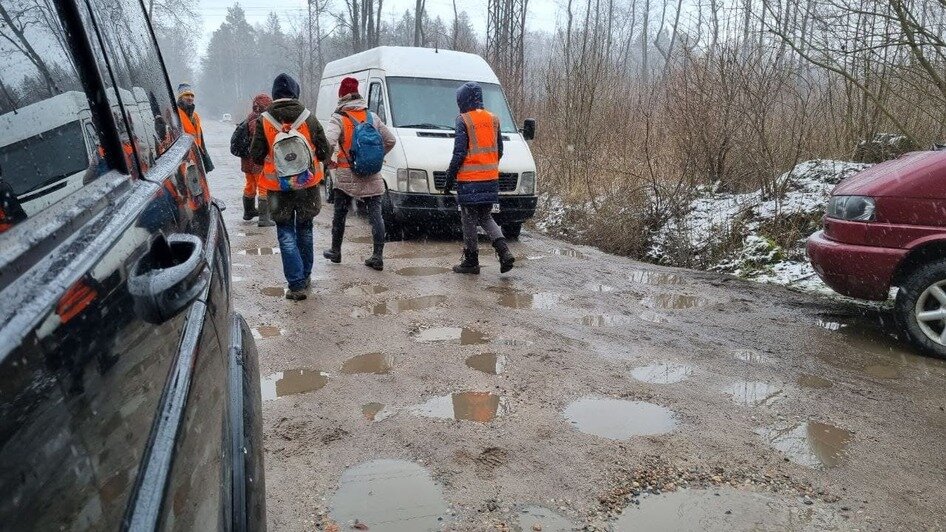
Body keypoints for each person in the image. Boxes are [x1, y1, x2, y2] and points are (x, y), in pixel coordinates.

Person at [249, 73, 330, 301]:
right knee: (305, 229)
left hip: (278, 189)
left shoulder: (264, 120)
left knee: (285, 233)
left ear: (275, 95)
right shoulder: (309, 118)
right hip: (307, 186)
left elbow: (256, 156)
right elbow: (324, 152)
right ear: (295, 93)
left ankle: (295, 286)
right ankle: (305, 276)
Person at [322, 77, 397, 271]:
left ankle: (336, 251)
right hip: (372, 173)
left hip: (347, 173)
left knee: (340, 213)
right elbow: (390, 140)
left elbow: (328, 143)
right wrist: (375, 157)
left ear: (341, 96)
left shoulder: (339, 117)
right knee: (376, 216)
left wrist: (327, 161)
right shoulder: (372, 117)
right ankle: (377, 256)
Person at [443, 81, 515, 274]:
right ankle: (504, 251)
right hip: (490, 178)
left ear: (463, 100)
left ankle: (471, 261)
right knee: (486, 217)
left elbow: (459, 153)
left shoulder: (463, 120)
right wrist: (487, 166)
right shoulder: (494, 119)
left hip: (469, 180)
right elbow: (499, 149)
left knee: (468, 220)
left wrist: (449, 178)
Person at [232, 93, 275, 225]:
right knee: (263, 186)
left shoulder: (249, 118)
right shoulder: (259, 120)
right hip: (256, 161)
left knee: (250, 185)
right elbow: (257, 143)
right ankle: (264, 218)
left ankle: (249, 211)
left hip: (246, 161)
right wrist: (259, 160)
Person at [176, 83, 213, 173]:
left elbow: (200, 139)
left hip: (196, 158)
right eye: (186, 95)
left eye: (192, 95)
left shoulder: (195, 116)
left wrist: (205, 158)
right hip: (182, 161)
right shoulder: (175, 114)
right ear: (180, 97)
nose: (190, 98)